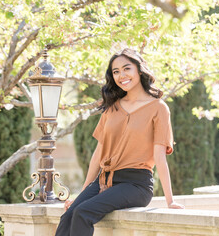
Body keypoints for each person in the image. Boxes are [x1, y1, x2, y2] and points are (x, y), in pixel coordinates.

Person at [55, 48, 184, 236]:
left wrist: (170, 201)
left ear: (139, 70)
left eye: (126, 69)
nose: (121, 75)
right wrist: (81, 194)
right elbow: (98, 154)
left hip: (136, 185)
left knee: (83, 213)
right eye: (115, 72)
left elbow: (159, 157)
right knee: (69, 215)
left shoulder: (158, 108)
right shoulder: (112, 108)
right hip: (104, 181)